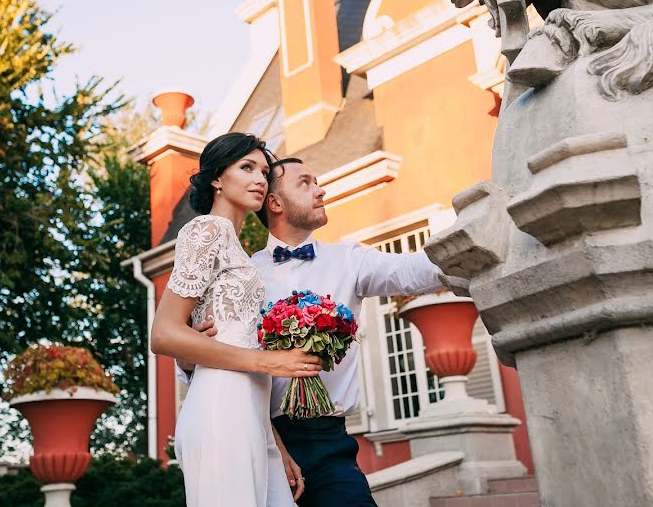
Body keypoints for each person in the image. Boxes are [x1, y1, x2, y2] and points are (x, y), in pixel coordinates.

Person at [183, 157, 446, 506]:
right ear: (274, 203)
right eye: (305, 183)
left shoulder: (349, 259)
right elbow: (198, 360)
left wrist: (469, 245)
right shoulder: (242, 273)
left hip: (328, 441)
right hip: (258, 435)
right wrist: (191, 355)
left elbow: (412, 271)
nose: (320, 190)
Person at [150, 133, 323, 507]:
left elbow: (230, 338)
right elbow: (163, 334)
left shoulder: (237, 247)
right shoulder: (206, 230)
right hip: (220, 408)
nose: (259, 179)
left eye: (263, 171)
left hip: (251, 415)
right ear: (216, 178)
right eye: (246, 168)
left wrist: (273, 441)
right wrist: (271, 361)